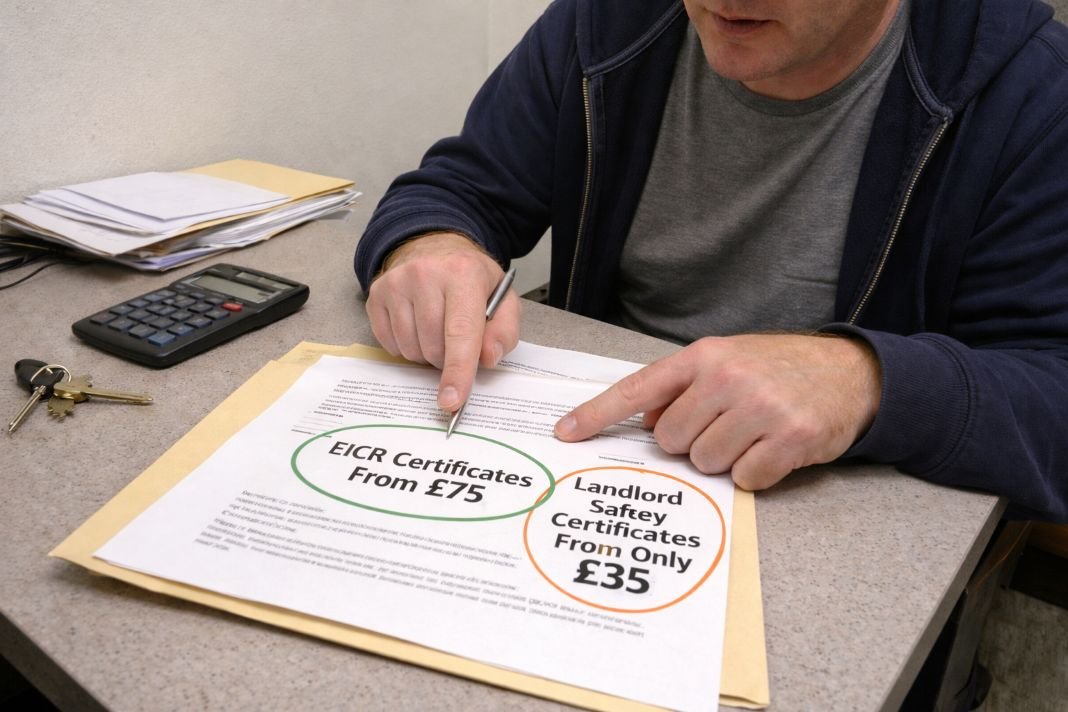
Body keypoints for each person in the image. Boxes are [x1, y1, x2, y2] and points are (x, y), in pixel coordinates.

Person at [355, 0, 1068, 522]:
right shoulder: (607, 23)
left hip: (840, 508)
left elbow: (1052, 394)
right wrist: (431, 244)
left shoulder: (1028, 94)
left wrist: (869, 380)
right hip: (599, 473)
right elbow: (460, 188)